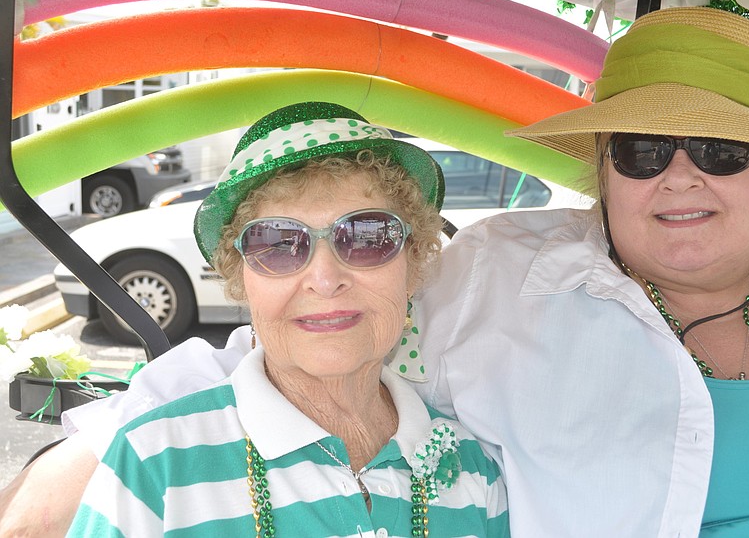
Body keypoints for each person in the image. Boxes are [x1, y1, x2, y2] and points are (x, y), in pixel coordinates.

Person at [4, 5, 749, 537]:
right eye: (640, 150)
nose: (679, 177)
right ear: (602, 170)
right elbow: (325, 327)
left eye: (721, 150)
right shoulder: (503, 281)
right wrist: (94, 459)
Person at [63, 102, 509, 536]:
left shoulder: (472, 469)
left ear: (411, 268)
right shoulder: (154, 464)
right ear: (242, 280)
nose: (324, 279)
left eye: (367, 237)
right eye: (276, 243)